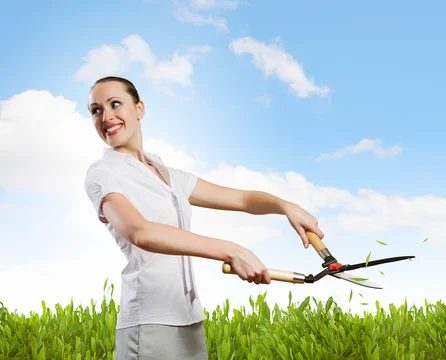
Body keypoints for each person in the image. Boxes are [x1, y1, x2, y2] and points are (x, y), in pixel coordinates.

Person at [83, 76, 325, 360]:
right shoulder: (103, 173)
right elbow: (141, 232)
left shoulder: (165, 174)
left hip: (188, 319)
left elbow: (242, 200)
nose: (106, 116)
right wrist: (232, 251)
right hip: (149, 322)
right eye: (96, 110)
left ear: (139, 109)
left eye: (115, 104)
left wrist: (286, 206)